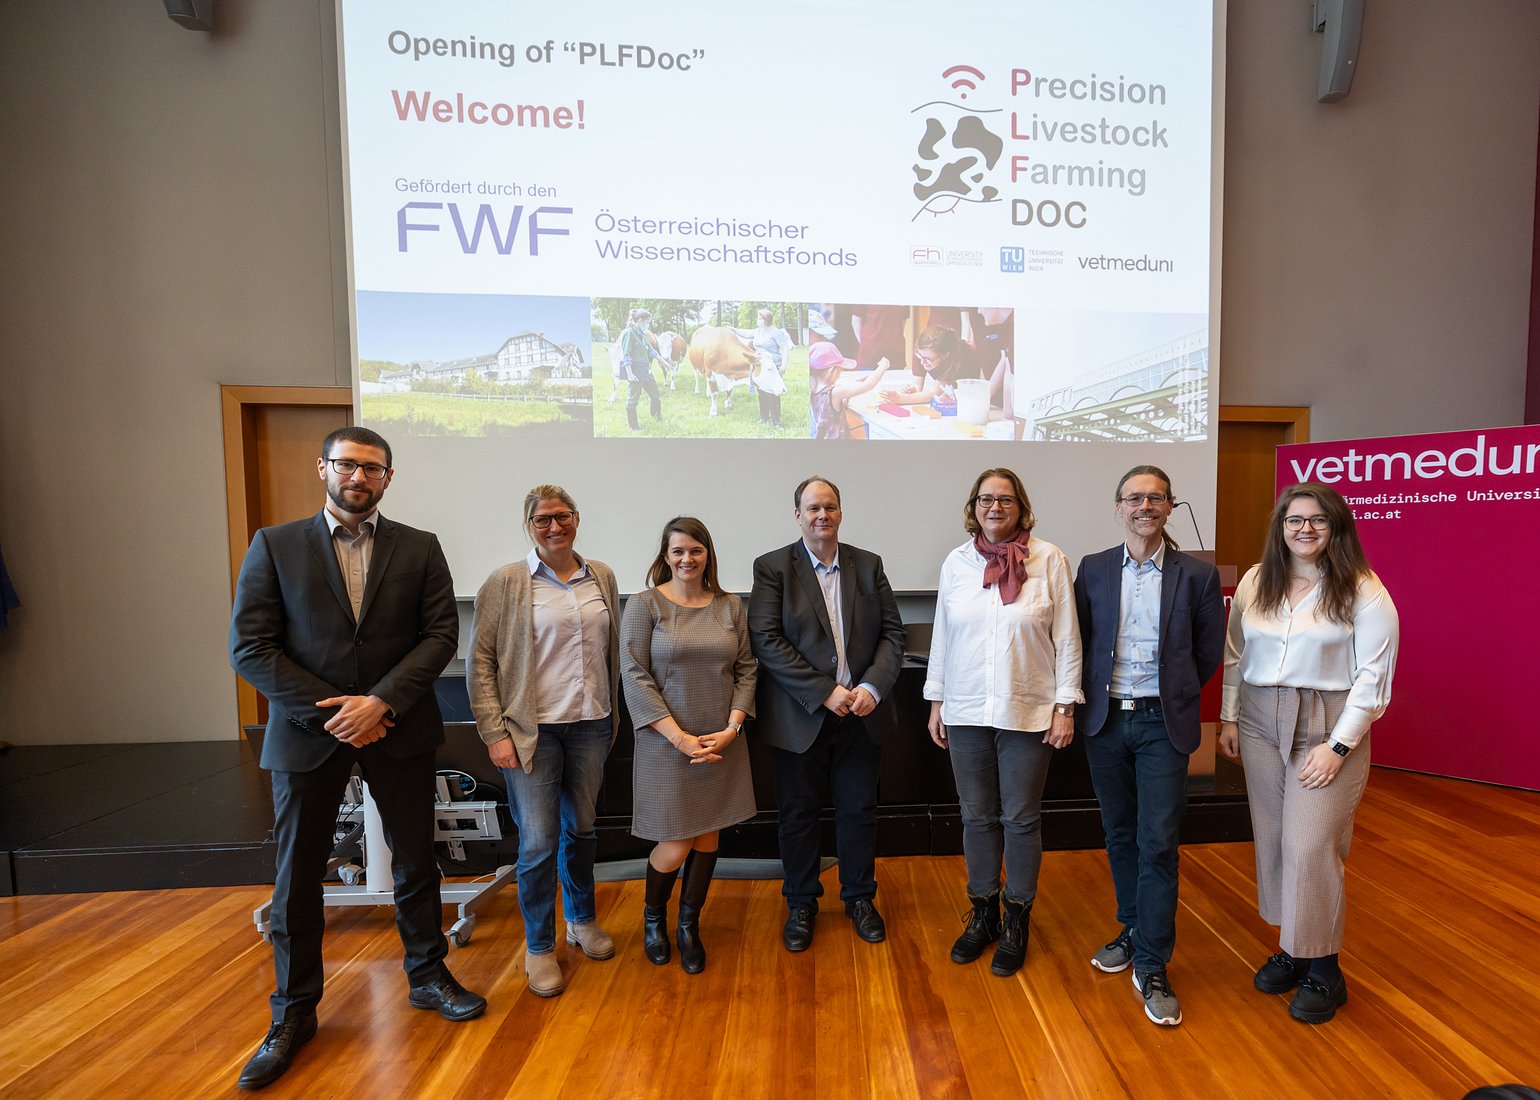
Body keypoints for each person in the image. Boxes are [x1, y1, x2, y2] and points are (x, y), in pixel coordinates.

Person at [228, 427, 483, 1091]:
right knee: (296, 876)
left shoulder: (420, 547)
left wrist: (379, 704)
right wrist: (339, 711)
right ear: (324, 468)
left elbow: (440, 637)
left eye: (372, 467)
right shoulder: (274, 546)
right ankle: (292, 1013)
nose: (358, 476)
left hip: (397, 728)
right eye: (347, 464)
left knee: (417, 861)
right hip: (309, 733)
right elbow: (251, 649)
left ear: (388, 478)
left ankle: (428, 977)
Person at [1219, 482, 1398, 1024]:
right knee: (1274, 838)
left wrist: (1340, 745)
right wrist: (1228, 716)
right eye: (1295, 520)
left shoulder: (1363, 588)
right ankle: (1296, 949)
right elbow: (1236, 651)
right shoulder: (1257, 580)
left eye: (1318, 521)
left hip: (1326, 722)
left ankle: (1326, 970)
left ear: (1336, 527)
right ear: (1280, 527)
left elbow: (1373, 678)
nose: (1305, 529)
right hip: (1257, 719)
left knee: (1310, 845)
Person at [1074, 465, 1225, 1026]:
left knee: (1158, 843)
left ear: (1169, 507)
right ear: (1118, 507)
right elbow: (1082, 643)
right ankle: (1133, 931)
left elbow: (1207, 653)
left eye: (1155, 498)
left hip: (1165, 724)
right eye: (1134, 497)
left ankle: (1155, 963)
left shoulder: (1197, 576)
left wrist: (1175, 694)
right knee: (1119, 833)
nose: (1145, 506)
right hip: (1106, 722)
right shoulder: (1091, 570)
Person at [924, 468, 1083, 976]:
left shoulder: (1049, 559)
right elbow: (943, 637)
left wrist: (1064, 706)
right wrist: (936, 701)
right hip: (967, 707)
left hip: (1028, 709)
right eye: (986, 499)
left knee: (1020, 817)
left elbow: (1069, 638)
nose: (995, 507)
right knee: (976, 817)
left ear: (1021, 507)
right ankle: (984, 913)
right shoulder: (956, 563)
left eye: (1006, 499)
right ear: (974, 506)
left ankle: (1017, 917)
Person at [466, 485, 622, 998]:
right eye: (542, 520)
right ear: (528, 526)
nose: (554, 527)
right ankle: (538, 946)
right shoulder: (507, 582)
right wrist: (495, 734)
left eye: (562, 516)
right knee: (537, 842)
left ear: (577, 518)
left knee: (581, 827)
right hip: (530, 733)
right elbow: (481, 664)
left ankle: (580, 920)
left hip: (592, 724)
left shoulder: (601, 575)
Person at [748, 477, 906, 952]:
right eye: (813, 508)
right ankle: (801, 903)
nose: (822, 515)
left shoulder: (868, 564)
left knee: (859, 811)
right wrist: (824, 692)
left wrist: (872, 687)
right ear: (798, 515)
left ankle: (859, 897)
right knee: (797, 815)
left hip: (863, 714)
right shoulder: (773, 567)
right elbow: (767, 640)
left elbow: (893, 635)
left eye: (830, 507)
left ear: (840, 512)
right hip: (802, 715)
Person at [620, 516, 757, 974]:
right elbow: (635, 676)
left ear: (707, 555)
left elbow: (746, 670)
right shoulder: (644, 606)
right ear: (664, 556)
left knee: (709, 835)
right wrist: (680, 739)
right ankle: (654, 918)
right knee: (675, 845)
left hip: (721, 741)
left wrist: (733, 728)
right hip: (666, 743)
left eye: (695, 550)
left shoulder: (730, 607)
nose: (687, 559)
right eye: (677, 551)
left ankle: (688, 925)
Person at [879, 324, 985, 407]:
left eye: (928, 359)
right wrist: (914, 389)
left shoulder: (959, 359)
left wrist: (900, 398)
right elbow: (918, 386)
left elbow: (934, 394)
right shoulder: (922, 351)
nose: (922, 362)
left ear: (944, 356)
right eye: (920, 356)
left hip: (967, 393)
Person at [807, 342, 892, 440]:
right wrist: (883, 366)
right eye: (840, 371)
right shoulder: (834, 393)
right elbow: (869, 384)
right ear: (831, 370)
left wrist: (842, 403)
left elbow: (827, 413)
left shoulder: (812, 392)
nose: (840, 374)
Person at [619, 308, 668, 431]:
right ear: (640, 320)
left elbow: (650, 350)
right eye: (647, 322)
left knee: (655, 394)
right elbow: (626, 355)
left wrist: (663, 361)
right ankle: (634, 427)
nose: (648, 325)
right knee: (633, 399)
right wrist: (630, 373)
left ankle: (656, 416)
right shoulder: (628, 333)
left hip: (646, 369)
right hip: (635, 371)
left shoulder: (642, 333)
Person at [752, 307, 793, 428]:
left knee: (774, 392)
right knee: (761, 392)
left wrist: (784, 365)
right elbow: (745, 333)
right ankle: (763, 417)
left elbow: (785, 348)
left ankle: (776, 420)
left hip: (773, 366)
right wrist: (733, 330)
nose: (758, 320)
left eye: (760, 318)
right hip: (760, 365)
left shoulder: (776, 332)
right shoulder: (757, 331)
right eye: (758, 318)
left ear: (766, 319)